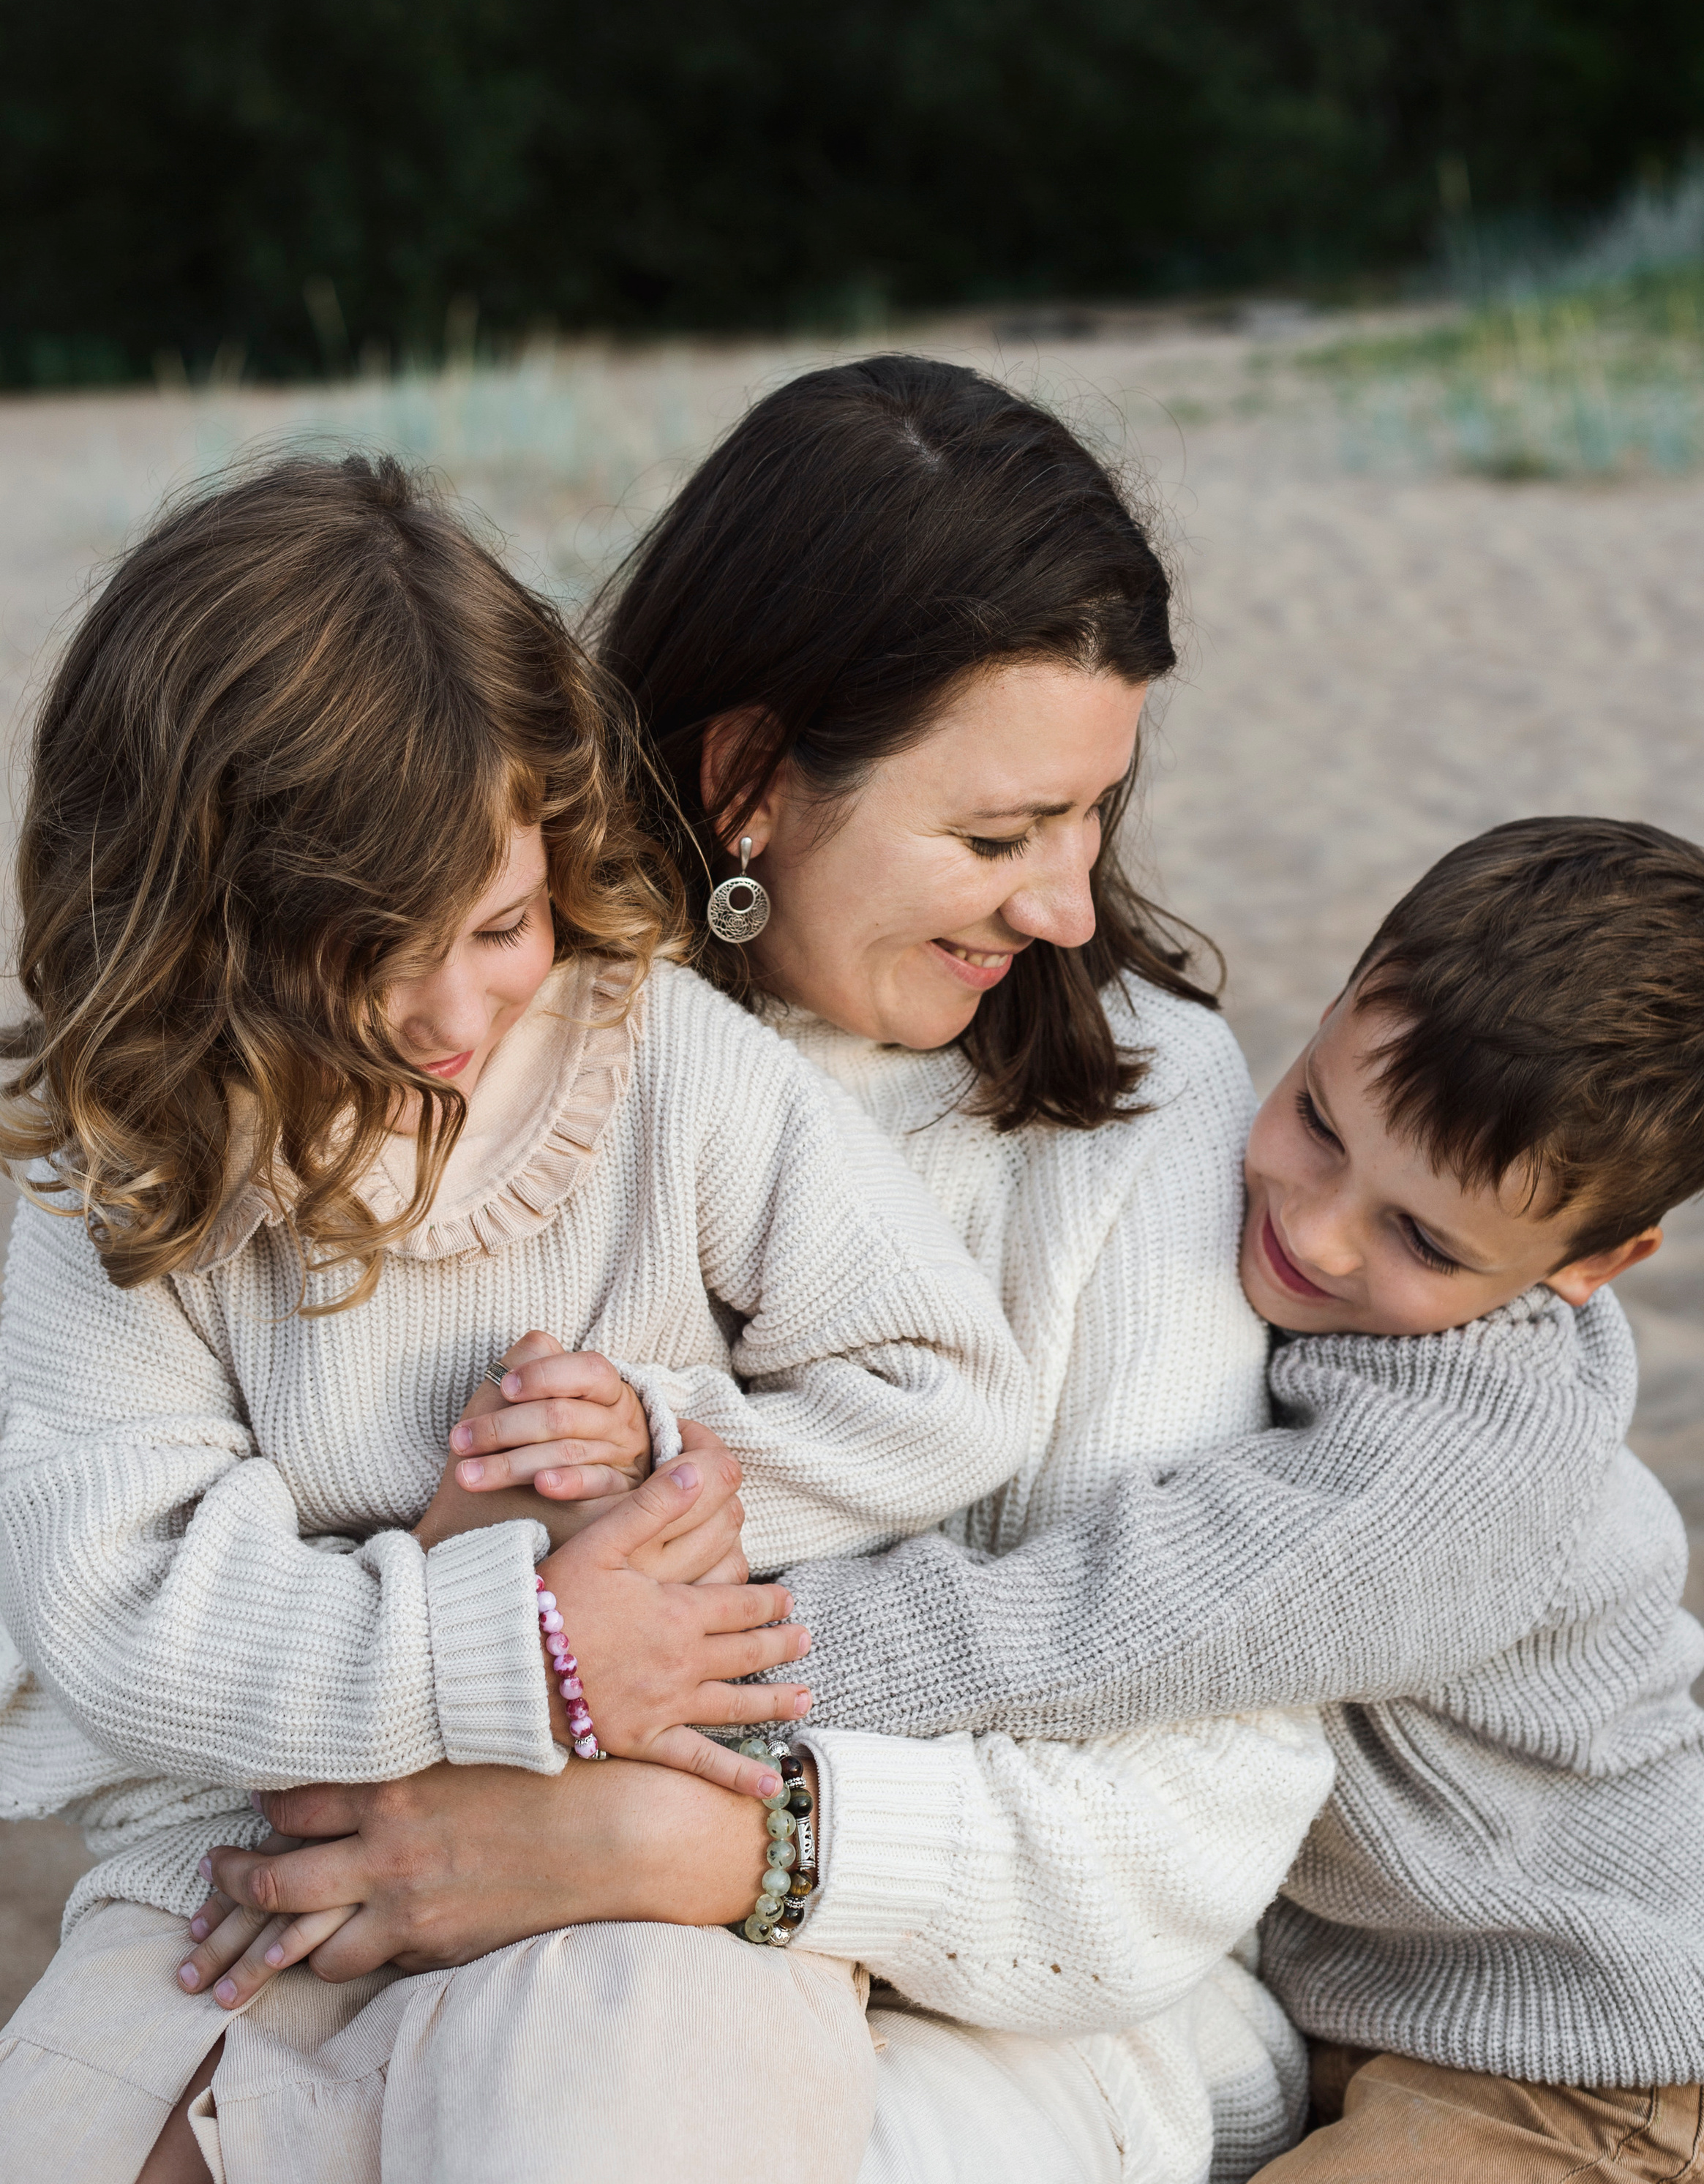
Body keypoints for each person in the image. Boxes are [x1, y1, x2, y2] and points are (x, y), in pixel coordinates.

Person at [186, 359, 1338, 2184]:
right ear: (747, 782)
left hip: (999, 2030)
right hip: (430, 1934)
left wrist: (684, 1848)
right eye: (995, 837)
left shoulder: (1142, 1107)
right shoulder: (455, 1022)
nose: (1063, 906)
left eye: (1089, 819)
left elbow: (1189, 1815)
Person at [0, 453, 1031, 2184]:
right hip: (259, 1846)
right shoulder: (128, 1163)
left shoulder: (659, 1062)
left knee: (611, 2111)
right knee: (85, 2130)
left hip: (630, 1834)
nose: (447, 1011)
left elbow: (943, 1388)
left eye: (495, 924)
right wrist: (523, 1645)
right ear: (190, 930)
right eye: (357, 957)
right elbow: (128, 1612)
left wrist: (656, 1456)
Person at [779, 816, 1704, 2180]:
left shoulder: (1454, 1470)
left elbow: (1111, 1618)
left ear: (1593, 1265)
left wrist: (733, 1643)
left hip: (1614, 2062)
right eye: (1317, 1121)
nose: (1316, 1227)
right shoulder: (1345, 1292)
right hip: (1387, 2021)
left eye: (1421, 1237)